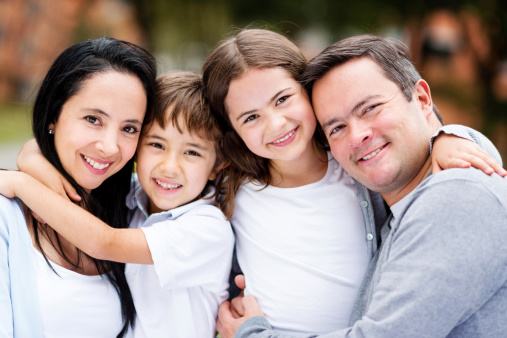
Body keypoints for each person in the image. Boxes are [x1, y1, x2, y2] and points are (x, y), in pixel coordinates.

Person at [201, 29, 506, 336]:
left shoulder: (375, 182)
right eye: (336, 127)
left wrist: (451, 136)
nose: (276, 123)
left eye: (370, 108)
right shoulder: (231, 193)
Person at [0, 71, 235, 338]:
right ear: (136, 148)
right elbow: (39, 145)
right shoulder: (135, 197)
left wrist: (23, 184)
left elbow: (105, 242)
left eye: (192, 152)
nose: (169, 168)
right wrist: (31, 158)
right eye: (157, 144)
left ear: (218, 165)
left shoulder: (208, 228)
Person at [0, 37, 157, 337]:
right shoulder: (6, 217)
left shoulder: (136, 208)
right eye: (93, 119)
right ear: (53, 117)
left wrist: (30, 165)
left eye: (129, 128)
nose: (110, 147)